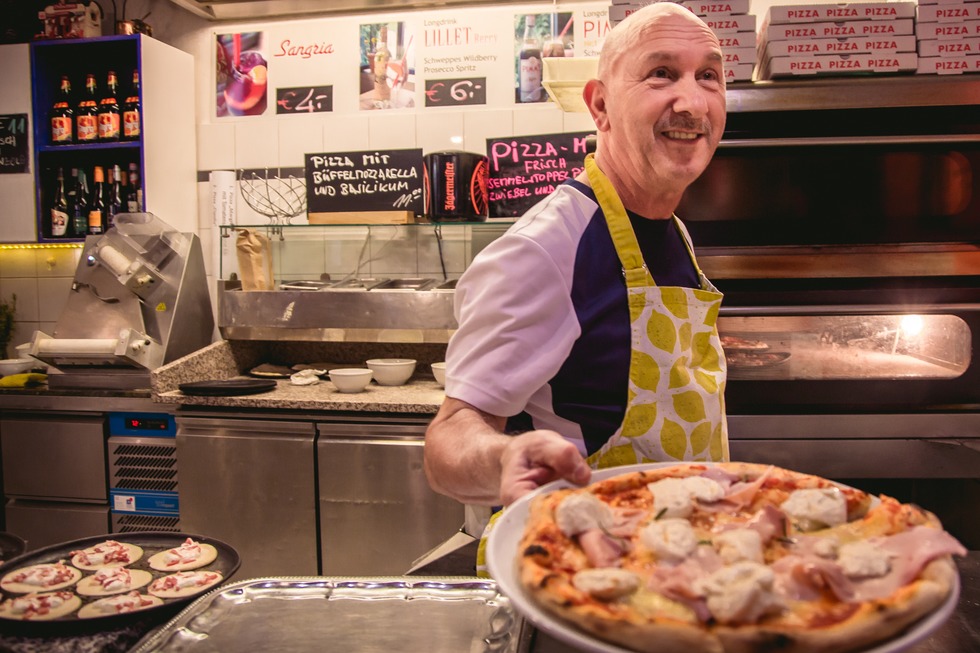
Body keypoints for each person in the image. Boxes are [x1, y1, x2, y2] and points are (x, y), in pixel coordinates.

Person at [424, 2, 730, 524]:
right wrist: (503, 458)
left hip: (675, 560)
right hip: (581, 568)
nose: (692, 102)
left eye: (708, 75)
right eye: (661, 74)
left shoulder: (671, 229)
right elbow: (450, 434)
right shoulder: (548, 247)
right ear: (601, 106)